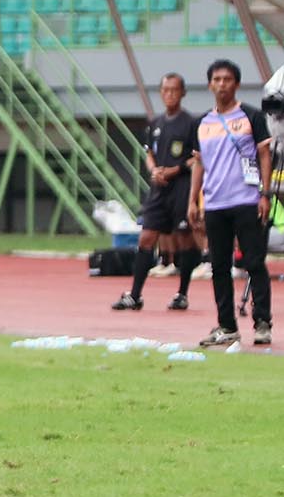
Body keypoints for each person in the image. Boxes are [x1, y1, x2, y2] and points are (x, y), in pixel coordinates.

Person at [188, 58, 271, 347]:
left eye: (227, 79)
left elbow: (264, 155)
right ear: (209, 84)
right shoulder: (201, 123)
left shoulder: (251, 116)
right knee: (219, 266)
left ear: (236, 84)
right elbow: (199, 164)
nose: (222, 84)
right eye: (217, 79)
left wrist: (264, 193)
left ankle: (262, 322)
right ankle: (227, 325)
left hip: (246, 201)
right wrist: (193, 200)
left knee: (254, 262)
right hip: (215, 204)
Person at [112, 73, 200, 311]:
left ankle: (182, 293)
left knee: (185, 239)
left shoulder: (191, 123)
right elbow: (149, 153)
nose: (169, 94)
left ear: (182, 93)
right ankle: (135, 295)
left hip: (181, 188)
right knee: (146, 237)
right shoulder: (155, 123)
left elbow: (197, 159)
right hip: (159, 190)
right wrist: (154, 170)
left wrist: (174, 170)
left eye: (174, 90)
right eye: (165, 90)